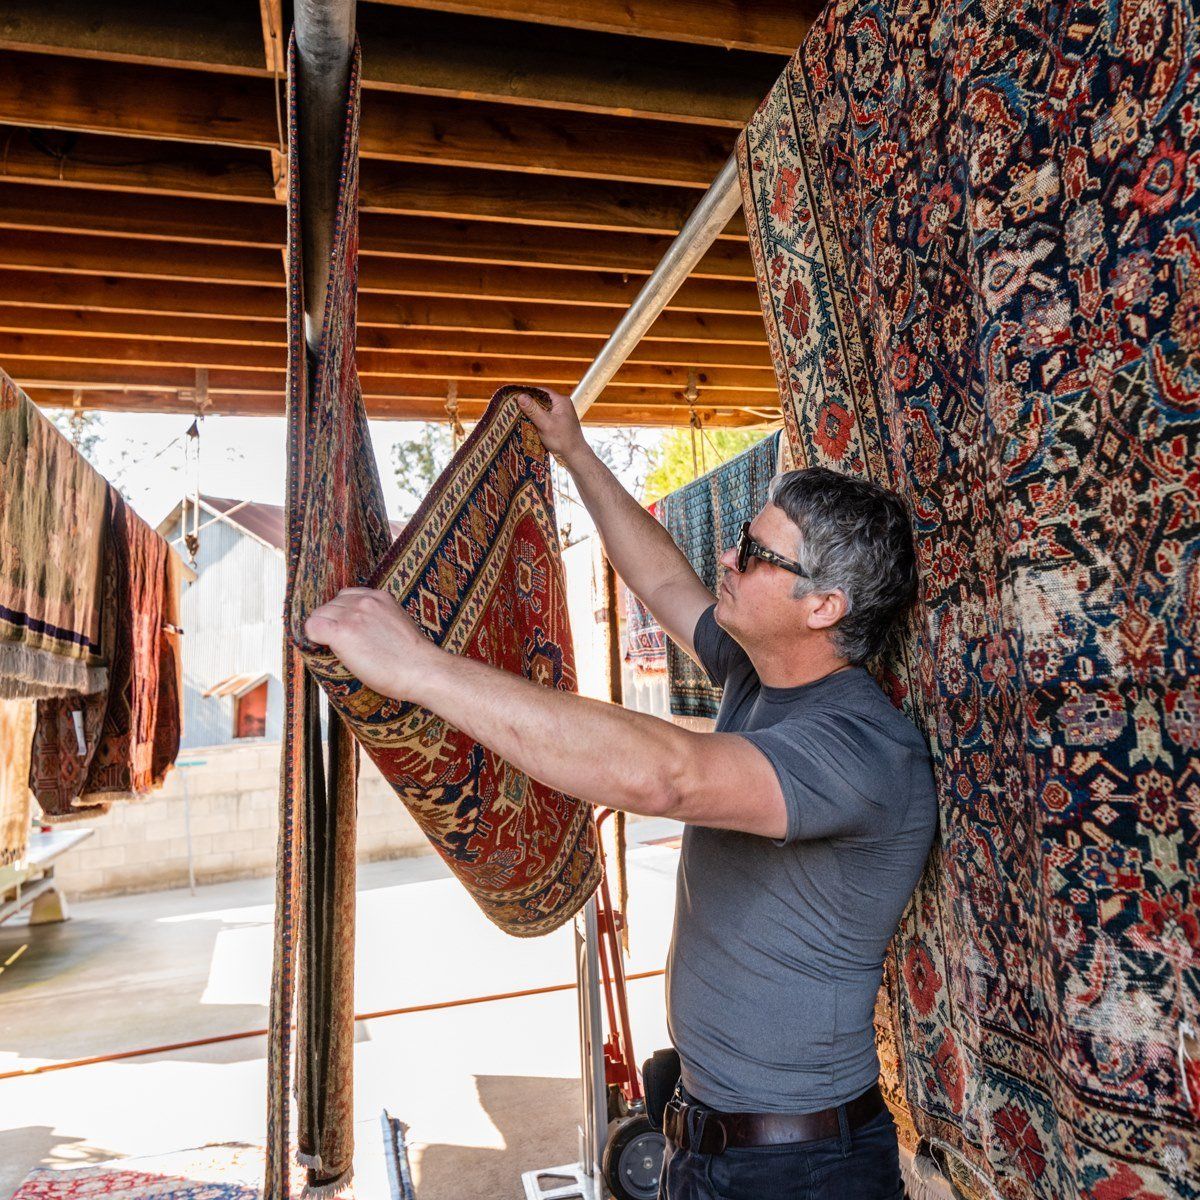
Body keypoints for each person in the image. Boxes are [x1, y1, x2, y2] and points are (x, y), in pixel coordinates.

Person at [305, 387, 937, 1200]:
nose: (728, 558)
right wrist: (575, 451)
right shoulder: (757, 673)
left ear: (823, 606)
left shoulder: (863, 750)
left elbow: (667, 775)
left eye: (756, 554)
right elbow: (664, 582)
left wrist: (420, 669)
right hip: (708, 1142)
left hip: (802, 1169)